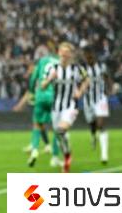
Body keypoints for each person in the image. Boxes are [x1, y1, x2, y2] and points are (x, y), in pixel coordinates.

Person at [41, 42, 89, 173]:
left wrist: (80, 92)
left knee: (61, 130)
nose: (64, 55)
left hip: (71, 106)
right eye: (62, 52)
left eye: (67, 52)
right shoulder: (51, 67)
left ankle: (67, 158)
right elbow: (42, 86)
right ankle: (67, 155)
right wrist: (49, 79)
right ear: (58, 53)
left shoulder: (77, 69)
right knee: (59, 135)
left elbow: (87, 80)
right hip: (56, 108)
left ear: (71, 55)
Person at [13, 48, 59, 167]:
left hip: (41, 95)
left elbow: (33, 80)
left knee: (37, 124)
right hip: (55, 96)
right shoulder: (59, 62)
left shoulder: (41, 62)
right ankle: (54, 156)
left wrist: (33, 90)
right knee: (57, 127)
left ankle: (34, 150)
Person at [82, 49, 110, 164]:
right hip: (88, 100)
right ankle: (93, 135)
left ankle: (104, 155)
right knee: (92, 123)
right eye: (87, 58)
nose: (89, 60)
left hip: (100, 99)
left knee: (101, 124)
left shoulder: (102, 67)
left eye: (90, 58)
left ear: (94, 57)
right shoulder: (83, 69)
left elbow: (107, 77)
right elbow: (79, 82)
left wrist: (109, 89)